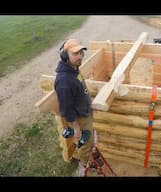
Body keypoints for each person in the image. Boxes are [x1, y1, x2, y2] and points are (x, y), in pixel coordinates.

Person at [54, 38, 93, 169]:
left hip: (85, 111)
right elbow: (66, 110)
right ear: (65, 56)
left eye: (81, 53)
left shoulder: (74, 69)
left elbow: (80, 87)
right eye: (75, 54)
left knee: (88, 140)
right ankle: (86, 164)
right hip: (80, 118)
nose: (80, 56)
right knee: (85, 143)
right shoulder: (64, 81)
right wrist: (76, 128)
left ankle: (86, 158)